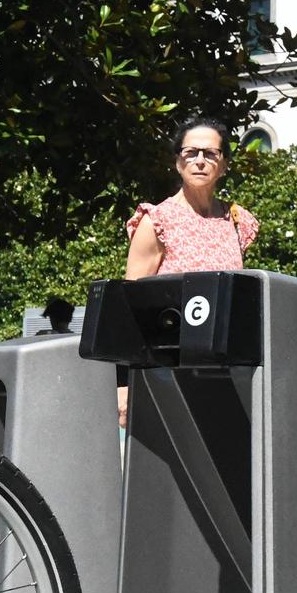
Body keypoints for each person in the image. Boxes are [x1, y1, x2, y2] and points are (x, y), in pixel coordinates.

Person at [118, 117, 259, 428]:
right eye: (190, 152)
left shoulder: (237, 222)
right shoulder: (157, 220)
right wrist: (125, 385)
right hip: (166, 374)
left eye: (210, 154)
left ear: (223, 165)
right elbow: (129, 308)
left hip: (227, 372)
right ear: (177, 162)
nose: (199, 161)